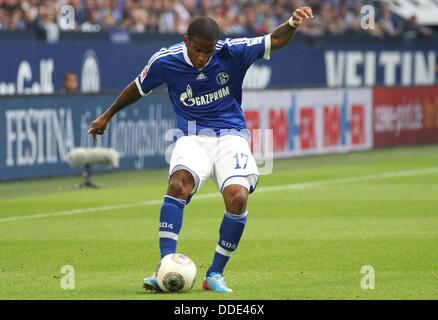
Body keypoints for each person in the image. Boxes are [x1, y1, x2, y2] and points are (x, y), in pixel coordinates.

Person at [88, 8, 313, 293]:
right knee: (177, 184)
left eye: (207, 52)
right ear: (186, 41)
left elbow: (275, 40)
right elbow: (138, 87)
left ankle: (215, 274)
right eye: (197, 50)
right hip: (191, 135)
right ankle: (165, 267)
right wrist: (107, 115)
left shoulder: (232, 52)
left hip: (231, 136)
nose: (202, 58)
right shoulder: (165, 60)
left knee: (238, 198)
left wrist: (292, 23)